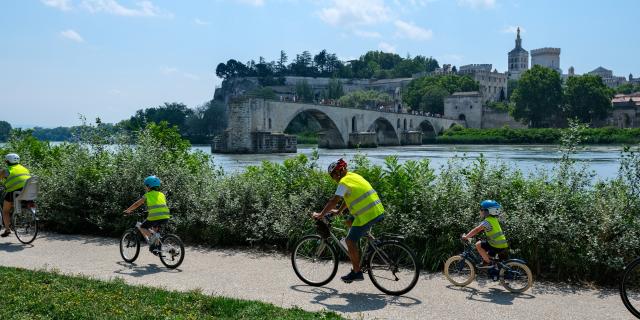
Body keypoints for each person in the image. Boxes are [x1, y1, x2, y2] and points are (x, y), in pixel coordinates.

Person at [313, 159, 385, 283]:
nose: (333, 178)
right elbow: (348, 197)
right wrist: (339, 211)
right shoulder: (353, 176)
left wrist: (321, 214)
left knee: (350, 241)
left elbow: (333, 201)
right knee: (349, 222)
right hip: (377, 209)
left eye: (333, 175)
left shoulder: (344, 182)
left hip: (367, 214)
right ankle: (371, 241)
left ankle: (356, 272)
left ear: (339, 172)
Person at [123, 175, 171, 254]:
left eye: (146, 186)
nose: (145, 187)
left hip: (154, 216)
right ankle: (156, 248)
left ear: (148, 186)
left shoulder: (147, 195)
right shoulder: (162, 194)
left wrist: (128, 210)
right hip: (165, 216)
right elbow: (158, 205)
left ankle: (153, 239)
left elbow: (137, 204)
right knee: (156, 231)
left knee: (142, 227)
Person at [462, 200, 509, 267]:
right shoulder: (494, 219)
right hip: (502, 244)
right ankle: (491, 266)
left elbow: (477, 230)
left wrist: (466, 236)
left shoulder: (487, 222)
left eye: (482, 209)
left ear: (487, 211)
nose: (480, 211)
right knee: (487, 255)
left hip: (496, 244)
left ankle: (489, 263)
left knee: (478, 244)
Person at [0, 153, 31, 237]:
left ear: (7, 161)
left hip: (14, 192)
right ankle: (16, 217)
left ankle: (7, 229)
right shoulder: (25, 169)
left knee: (5, 210)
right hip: (27, 192)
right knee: (14, 204)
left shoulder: (7, 170)